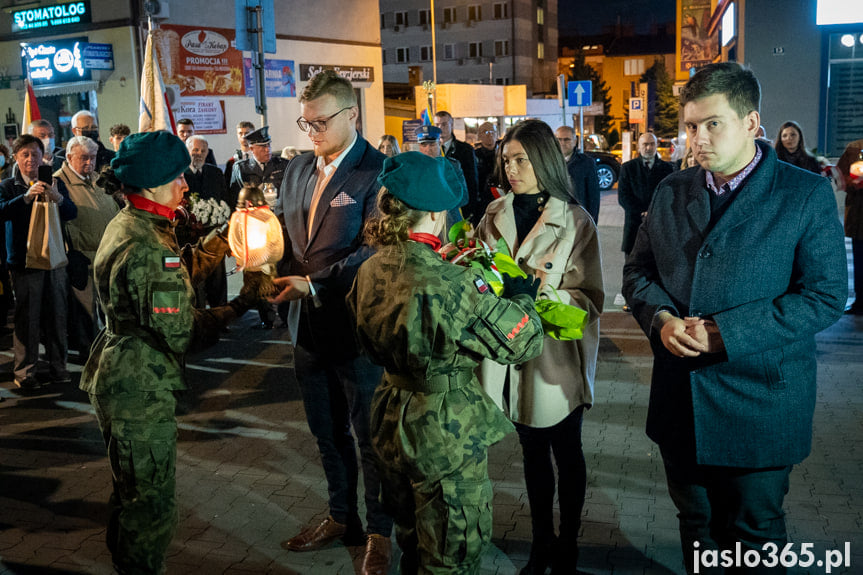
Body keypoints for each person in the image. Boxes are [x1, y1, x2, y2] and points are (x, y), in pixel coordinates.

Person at [621, 62, 847, 575]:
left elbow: (826, 295)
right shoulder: (671, 190)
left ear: (751, 123)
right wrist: (659, 319)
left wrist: (726, 333)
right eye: (690, 126)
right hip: (681, 402)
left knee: (753, 536)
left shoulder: (804, 193)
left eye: (712, 124)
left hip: (761, 404)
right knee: (696, 528)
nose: (697, 138)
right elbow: (637, 272)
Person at [347, 151, 545, 574]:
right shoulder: (453, 283)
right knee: (451, 556)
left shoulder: (370, 269)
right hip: (443, 428)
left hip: (390, 415)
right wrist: (521, 296)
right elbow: (522, 342)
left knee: (411, 539)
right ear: (437, 215)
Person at [80, 131, 260, 575]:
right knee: (150, 503)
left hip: (123, 374)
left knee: (132, 491)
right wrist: (239, 305)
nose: (184, 185)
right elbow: (181, 329)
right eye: (177, 177)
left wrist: (221, 240)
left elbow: (174, 275)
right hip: (137, 385)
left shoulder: (138, 225)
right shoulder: (144, 245)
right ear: (152, 184)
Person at [272, 69, 393, 575]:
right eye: (306, 123)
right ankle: (340, 515)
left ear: (352, 115)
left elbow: (375, 248)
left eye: (321, 122)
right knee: (326, 431)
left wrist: (318, 283)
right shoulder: (298, 169)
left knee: (370, 436)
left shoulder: (379, 172)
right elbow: (283, 232)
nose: (312, 132)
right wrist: (259, 250)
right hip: (306, 328)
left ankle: (380, 532)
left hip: (357, 328)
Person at [476, 119, 604, 575]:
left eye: (521, 160)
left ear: (544, 161)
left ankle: (567, 543)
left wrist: (536, 294)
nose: (511, 169)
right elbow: (479, 281)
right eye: (506, 160)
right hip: (509, 356)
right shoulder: (493, 215)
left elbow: (589, 299)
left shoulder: (575, 219)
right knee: (531, 453)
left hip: (555, 358)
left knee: (566, 450)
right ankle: (541, 542)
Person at [0, 135, 77, 390]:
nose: (31, 160)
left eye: (35, 154)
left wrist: (58, 197)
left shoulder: (55, 182)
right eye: (25, 155)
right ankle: (25, 373)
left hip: (54, 261)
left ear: (43, 156)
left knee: (57, 316)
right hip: (24, 262)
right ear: (15, 158)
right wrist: (25, 198)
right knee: (27, 318)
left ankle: (59, 368)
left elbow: (72, 213)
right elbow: (2, 211)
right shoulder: (8, 185)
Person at [54, 136, 120, 356]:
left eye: (92, 157)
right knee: (86, 316)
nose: (89, 163)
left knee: (110, 312)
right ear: (69, 156)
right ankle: (90, 358)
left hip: (107, 255)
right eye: (84, 158)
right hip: (81, 258)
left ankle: (109, 354)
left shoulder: (97, 179)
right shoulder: (58, 183)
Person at [183, 135, 230, 308]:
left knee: (217, 279)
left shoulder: (215, 173)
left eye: (203, 151)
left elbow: (225, 202)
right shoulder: (180, 174)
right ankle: (199, 315)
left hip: (214, 236)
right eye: (195, 150)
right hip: (190, 239)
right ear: (187, 151)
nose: (199, 154)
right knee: (196, 281)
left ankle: (220, 314)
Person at [618, 132, 674, 258]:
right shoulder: (628, 168)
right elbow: (623, 197)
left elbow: (669, 196)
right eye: (645, 144)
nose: (648, 148)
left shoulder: (668, 168)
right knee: (632, 267)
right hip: (634, 225)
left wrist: (653, 211)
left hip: (659, 226)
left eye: (651, 144)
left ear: (656, 145)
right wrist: (642, 211)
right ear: (638, 146)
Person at [417, 125, 468, 231]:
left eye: (432, 144)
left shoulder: (453, 166)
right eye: (423, 144)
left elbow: (464, 197)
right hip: (423, 226)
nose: (428, 149)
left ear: (439, 143)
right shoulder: (414, 169)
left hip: (450, 223)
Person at [435, 111, 480, 222]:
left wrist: (471, 211)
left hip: (461, 208)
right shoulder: (432, 150)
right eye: (437, 125)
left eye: (444, 124)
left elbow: (472, 181)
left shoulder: (465, 150)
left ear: (452, 125)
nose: (440, 128)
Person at [837, 138, 863, 315]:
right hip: (858, 214)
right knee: (860, 259)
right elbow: (840, 175)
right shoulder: (854, 148)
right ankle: (860, 301)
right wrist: (852, 181)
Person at [554, 125, 601, 222]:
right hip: (555, 218)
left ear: (575, 142)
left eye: (566, 140)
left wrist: (591, 221)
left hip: (578, 219)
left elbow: (593, 196)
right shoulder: (548, 162)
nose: (562, 143)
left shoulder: (586, 163)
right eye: (559, 139)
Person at [473, 121, 499, 224]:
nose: (490, 134)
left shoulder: (503, 153)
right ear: (480, 135)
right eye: (486, 131)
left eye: (493, 131)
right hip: (482, 201)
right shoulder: (474, 155)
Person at [223, 121, 255, 188]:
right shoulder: (232, 162)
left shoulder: (259, 158)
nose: (243, 136)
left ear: (253, 134)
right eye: (240, 133)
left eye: (247, 133)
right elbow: (228, 185)